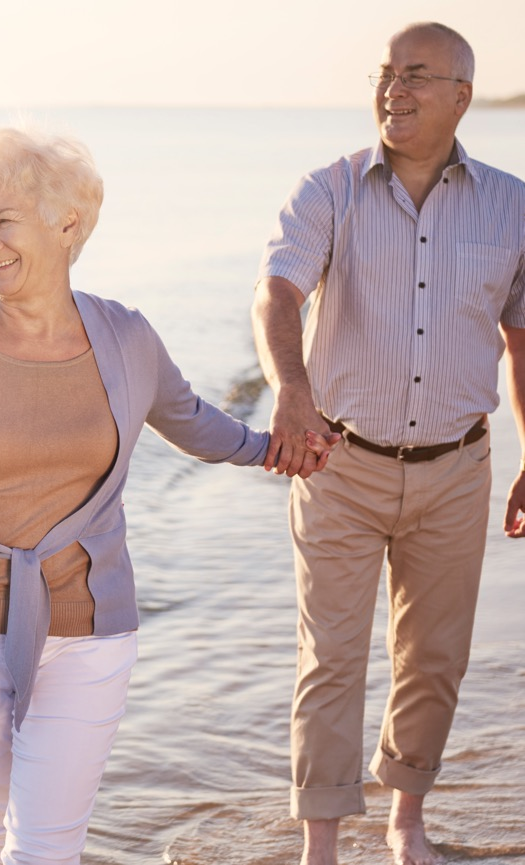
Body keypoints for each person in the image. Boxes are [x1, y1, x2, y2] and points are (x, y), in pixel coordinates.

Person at [0, 124, 331, 865]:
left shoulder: (125, 337)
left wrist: (277, 448)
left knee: (43, 846)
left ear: (66, 223)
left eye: (3, 221)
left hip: (87, 628)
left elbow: (193, 422)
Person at [251, 21, 525, 865]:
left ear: (459, 96)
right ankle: (321, 846)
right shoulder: (326, 189)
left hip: (456, 468)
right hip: (337, 464)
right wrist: (289, 390)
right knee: (329, 658)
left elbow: (521, 338)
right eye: (384, 73)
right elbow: (275, 295)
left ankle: (405, 825)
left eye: (415, 74)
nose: (393, 89)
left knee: (433, 657)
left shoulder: (513, 205)